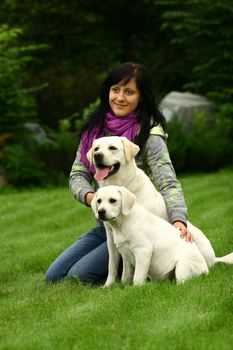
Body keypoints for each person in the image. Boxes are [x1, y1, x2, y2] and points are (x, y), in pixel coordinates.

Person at [46, 62, 192, 284]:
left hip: (141, 230)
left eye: (129, 92)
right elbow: (77, 175)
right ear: (108, 92)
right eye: (115, 90)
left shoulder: (149, 133)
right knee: (54, 276)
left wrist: (179, 220)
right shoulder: (94, 131)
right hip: (106, 223)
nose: (120, 97)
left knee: (80, 276)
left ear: (141, 97)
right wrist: (92, 197)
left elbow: (168, 182)